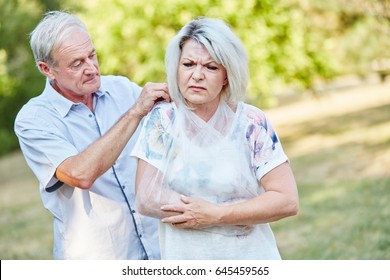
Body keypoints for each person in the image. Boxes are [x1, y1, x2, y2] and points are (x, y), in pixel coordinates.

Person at [131, 17, 299, 260]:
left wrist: (216, 214)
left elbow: (286, 200)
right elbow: (147, 197)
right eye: (188, 64)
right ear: (176, 68)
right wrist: (216, 213)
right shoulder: (164, 120)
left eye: (211, 67)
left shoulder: (251, 123)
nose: (197, 75)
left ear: (226, 76)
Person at [14, 10, 170, 260]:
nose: (91, 68)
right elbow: (80, 174)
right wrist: (134, 114)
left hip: (158, 250)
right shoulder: (33, 119)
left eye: (92, 56)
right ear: (47, 69)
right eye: (77, 63)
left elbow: (172, 132)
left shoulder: (122, 88)